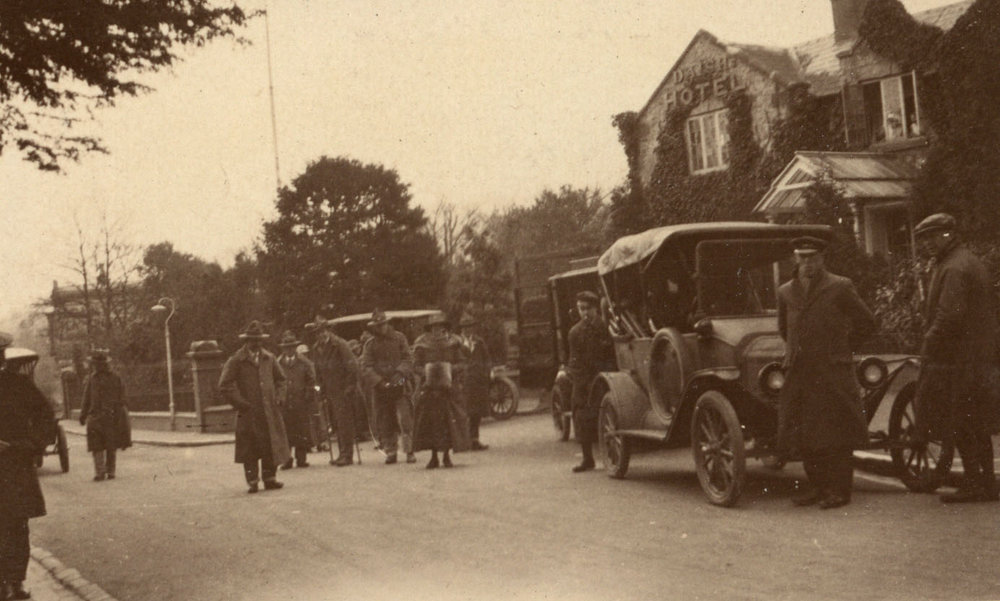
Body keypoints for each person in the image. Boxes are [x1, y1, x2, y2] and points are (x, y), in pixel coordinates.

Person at [777, 236, 876, 509]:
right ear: (795, 258)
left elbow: (867, 322)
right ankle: (818, 487)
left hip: (832, 371)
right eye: (802, 257)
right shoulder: (785, 291)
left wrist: (843, 349)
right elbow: (784, 329)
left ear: (822, 259)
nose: (807, 263)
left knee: (837, 431)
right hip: (801, 371)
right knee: (806, 432)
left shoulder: (839, 286)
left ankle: (840, 491)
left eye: (813, 257)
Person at [913, 213, 1000, 503]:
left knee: (961, 420)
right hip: (977, 355)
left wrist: (928, 343)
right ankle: (986, 482)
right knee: (976, 422)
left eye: (930, 238)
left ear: (946, 236)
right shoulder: (966, 261)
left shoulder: (953, 268)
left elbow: (949, 316)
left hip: (960, 359)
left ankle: (976, 483)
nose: (927, 244)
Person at [0, 333, 54, 601]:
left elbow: (47, 419)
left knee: (15, 527)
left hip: (14, 467)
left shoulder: (19, 386)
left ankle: (14, 582)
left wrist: (26, 446)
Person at [219, 320, 290, 493]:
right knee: (249, 447)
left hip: (268, 410)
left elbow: (281, 380)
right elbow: (225, 385)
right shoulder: (237, 360)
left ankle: (270, 478)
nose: (256, 344)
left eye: (258, 340)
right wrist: (240, 403)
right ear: (246, 341)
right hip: (248, 410)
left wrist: (279, 398)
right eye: (252, 340)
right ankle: (252, 480)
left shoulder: (269, 358)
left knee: (269, 443)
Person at [412, 314, 470, 468]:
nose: (437, 330)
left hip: (448, 390)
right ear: (430, 329)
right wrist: (425, 371)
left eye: (440, 326)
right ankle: (433, 457)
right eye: (434, 327)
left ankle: (446, 456)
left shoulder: (453, 344)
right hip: (429, 390)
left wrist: (450, 369)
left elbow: (462, 363)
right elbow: (415, 365)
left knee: (449, 423)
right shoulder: (422, 344)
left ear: (444, 328)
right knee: (430, 423)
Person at [360, 309, 416, 465]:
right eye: (377, 325)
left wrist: (399, 374)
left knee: (405, 418)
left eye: (383, 324)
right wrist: (379, 381)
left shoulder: (399, 338)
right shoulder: (370, 345)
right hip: (381, 387)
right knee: (385, 420)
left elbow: (408, 358)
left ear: (387, 324)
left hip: (400, 384)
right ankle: (391, 451)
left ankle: (409, 450)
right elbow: (366, 366)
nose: (381, 328)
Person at [567, 291, 615, 473]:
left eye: (588, 309)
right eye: (581, 309)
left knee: (606, 416)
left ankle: (611, 454)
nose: (584, 313)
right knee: (580, 414)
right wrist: (581, 380)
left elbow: (611, 355)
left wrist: (602, 377)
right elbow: (574, 360)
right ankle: (587, 458)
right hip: (583, 380)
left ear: (595, 309)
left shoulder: (605, 328)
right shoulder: (575, 332)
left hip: (601, 378)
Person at [312, 319, 361, 467]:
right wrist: (319, 388)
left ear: (328, 330)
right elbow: (318, 371)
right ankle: (341, 453)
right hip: (329, 390)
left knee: (344, 422)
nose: (321, 334)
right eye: (317, 332)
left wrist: (350, 386)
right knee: (336, 423)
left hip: (343, 389)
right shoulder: (317, 348)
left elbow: (352, 365)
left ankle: (347, 455)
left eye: (323, 330)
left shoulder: (339, 344)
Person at [79, 349, 131, 481]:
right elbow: (87, 398)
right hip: (100, 416)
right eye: (95, 364)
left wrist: (119, 412)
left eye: (97, 363)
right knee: (101, 445)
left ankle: (107, 471)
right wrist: (83, 415)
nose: (96, 366)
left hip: (106, 416)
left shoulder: (110, 378)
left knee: (108, 444)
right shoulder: (95, 378)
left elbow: (122, 397)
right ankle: (103, 471)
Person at [277, 332, 316, 469]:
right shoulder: (278, 363)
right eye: (286, 347)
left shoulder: (304, 362)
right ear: (283, 349)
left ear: (295, 347)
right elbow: (275, 381)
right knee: (286, 431)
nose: (289, 350)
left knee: (302, 430)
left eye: (291, 347)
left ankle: (301, 458)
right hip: (285, 402)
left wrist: (308, 393)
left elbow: (311, 379)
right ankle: (287, 459)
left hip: (301, 400)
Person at [459, 313, 492, 451]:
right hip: (464, 381)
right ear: (462, 329)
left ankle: (475, 439)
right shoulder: (457, 343)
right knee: (463, 412)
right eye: (465, 327)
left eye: (470, 327)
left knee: (476, 412)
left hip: (478, 380)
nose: (468, 330)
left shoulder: (479, 341)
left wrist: (486, 372)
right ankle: (463, 441)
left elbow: (487, 359)